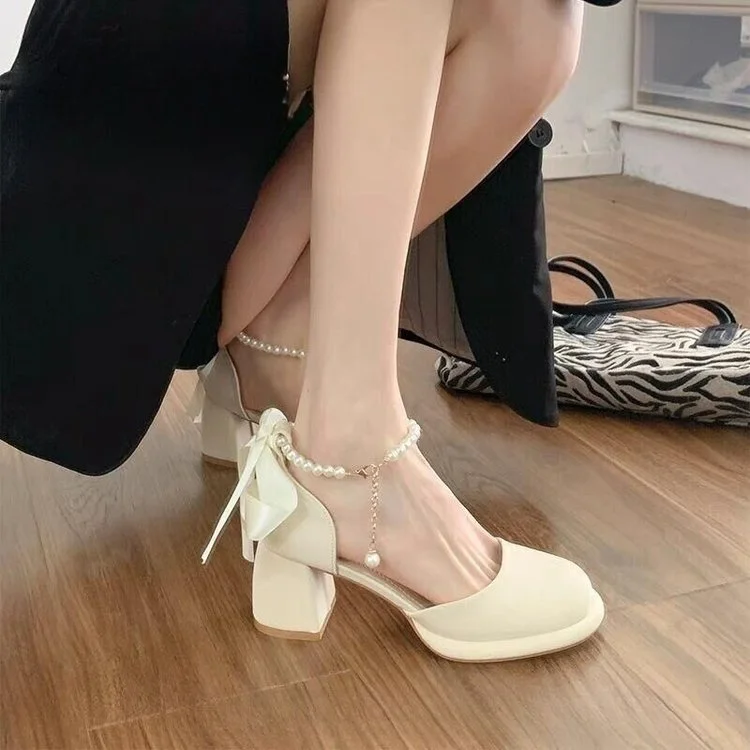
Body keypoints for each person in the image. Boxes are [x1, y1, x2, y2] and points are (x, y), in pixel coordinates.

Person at [1, 0, 621, 662]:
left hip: (202, 221)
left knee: (533, 23)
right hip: (92, 226)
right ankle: (352, 449)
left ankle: (277, 340)